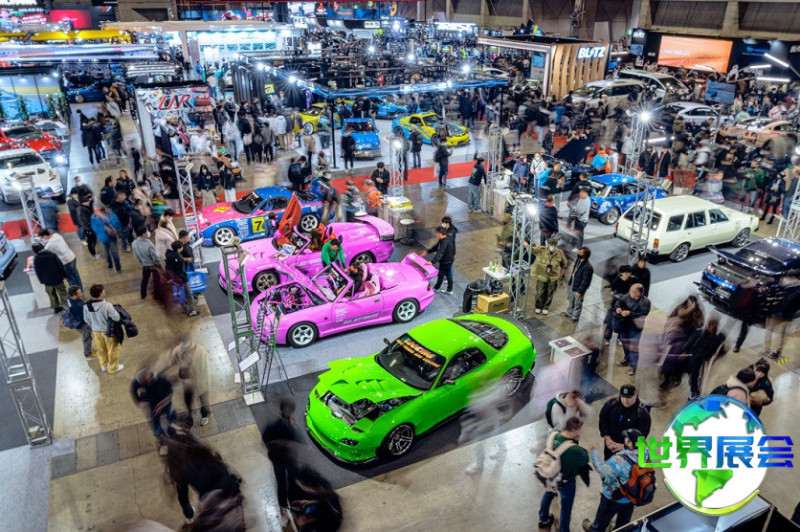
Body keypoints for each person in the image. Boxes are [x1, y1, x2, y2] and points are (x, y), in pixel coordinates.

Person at [164, 422, 243, 525]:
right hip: (230, 491)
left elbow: (183, 498)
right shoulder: (203, 452)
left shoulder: (180, 468)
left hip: (211, 502)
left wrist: (189, 515)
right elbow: (224, 470)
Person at [583, 429, 644, 532]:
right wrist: (622, 447)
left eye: (627, 439)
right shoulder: (647, 454)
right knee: (623, 524)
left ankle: (595, 529)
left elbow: (603, 469)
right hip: (632, 497)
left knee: (602, 519)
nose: (624, 439)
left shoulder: (619, 461)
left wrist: (594, 453)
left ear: (630, 444)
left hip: (613, 498)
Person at [537, 417, 591, 532]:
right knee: (566, 508)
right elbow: (585, 459)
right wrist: (577, 441)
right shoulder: (574, 449)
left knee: (548, 493)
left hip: (549, 475)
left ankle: (544, 519)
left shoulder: (553, 435)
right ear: (574, 430)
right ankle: (564, 530)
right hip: (566, 481)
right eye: (579, 430)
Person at [155, 336, 211, 426]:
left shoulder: (199, 352)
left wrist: (180, 376)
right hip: (187, 384)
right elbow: (171, 361)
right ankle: (190, 414)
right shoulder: (179, 350)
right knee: (188, 400)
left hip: (201, 382)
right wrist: (158, 371)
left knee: (204, 402)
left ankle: (205, 416)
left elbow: (195, 371)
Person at [130, 366, 175, 456]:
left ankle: (169, 433)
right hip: (151, 406)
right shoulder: (137, 383)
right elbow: (135, 393)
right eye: (142, 380)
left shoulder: (160, 380)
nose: (144, 381)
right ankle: (162, 442)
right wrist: (142, 402)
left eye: (146, 378)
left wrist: (162, 404)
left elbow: (170, 393)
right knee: (155, 426)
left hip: (163, 404)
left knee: (166, 421)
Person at [598, 384, 651, 461]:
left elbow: (641, 436)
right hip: (610, 445)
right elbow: (603, 419)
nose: (625, 400)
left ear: (635, 395)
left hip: (628, 452)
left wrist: (624, 446)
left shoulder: (642, 413)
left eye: (628, 397)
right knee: (608, 463)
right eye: (623, 397)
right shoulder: (611, 405)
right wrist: (607, 438)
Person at [83, 284, 123, 374]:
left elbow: (86, 319)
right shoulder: (107, 305)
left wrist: (94, 326)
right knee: (113, 349)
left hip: (96, 331)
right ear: (101, 294)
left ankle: (104, 366)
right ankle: (113, 368)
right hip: (108, 332)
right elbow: (116, 318)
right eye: (103, 290)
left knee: (101, 349)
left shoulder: (86, 305)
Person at [613, 283, 651, 375]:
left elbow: (643, 315)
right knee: (625, 342)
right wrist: (618, 307)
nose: (630, 292)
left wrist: (630, 313)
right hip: (625, 324)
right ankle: (627, 359)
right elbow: (620, 301)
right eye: (630, 290)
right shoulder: (628, 296)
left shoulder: (646, 302)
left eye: (633, 291)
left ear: (639, 293)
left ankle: (633, 365)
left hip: (636, 327)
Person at [686, 316, 727, 401]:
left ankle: (694, 391)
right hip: (703, 359)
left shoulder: (701, 334)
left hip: (698, 359)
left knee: (694, 374)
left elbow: (690, 343)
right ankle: (695, 389)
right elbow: (721, 352)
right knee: (696, 374)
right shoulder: (716, 338)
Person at [532, 237, 568, 315]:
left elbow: (564, 263)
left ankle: (545, 307)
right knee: (540, 293)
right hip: (542, 276)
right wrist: (527, 245)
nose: (553, 247)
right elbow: (532, 250)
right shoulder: (541, 250)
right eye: (551, 245)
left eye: (555, 245)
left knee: (550, 293)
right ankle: (538, 306)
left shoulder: (559, 253)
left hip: (553, 277)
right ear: (548, 244)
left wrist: (561, 273)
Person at [32, 242, 67, 313]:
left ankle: (56, 308)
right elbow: (60, 265)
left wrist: (41, 280)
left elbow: (38, 271)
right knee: (63, 293)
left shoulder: (36, 258)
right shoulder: (52, 255)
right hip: (57, 278)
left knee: (51, 294)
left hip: (47, 280)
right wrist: (64, 275)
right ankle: (67, 306)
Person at [165, 241, 198, 317]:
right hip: (180, 279)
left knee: (180, 293)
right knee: (189, 295)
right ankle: (190, 311)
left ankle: (184, 307)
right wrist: (184, 279)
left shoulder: (169, 255)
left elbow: (168, 268)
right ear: (179, 248)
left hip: (173, 279)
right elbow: (180, 270)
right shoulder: (179, 258)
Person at [90, 205, 123, 273]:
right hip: (102, 239)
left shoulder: (112, 215)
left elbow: (117, 223)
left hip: (111, 238)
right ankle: (110, 264)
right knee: (106, 254)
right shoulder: (95, 217)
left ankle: (118, 268)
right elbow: (95, 228)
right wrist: (105, 228)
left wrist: (116, 231)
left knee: (115, 253)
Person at [132, 226, 162, 300]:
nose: (148, 233)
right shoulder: (149, 244)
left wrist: (142, 263)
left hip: (145, 265)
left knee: (145, 280)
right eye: (147, 231)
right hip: (153, 265)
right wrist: (159, 265)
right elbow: (155, 257)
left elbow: (136, 256)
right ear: (143, 234)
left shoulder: (134, 243)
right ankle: (157, 294)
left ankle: (143, 294)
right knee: (156, 280)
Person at [67, 285, 95, 360]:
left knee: (88, 336)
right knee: (87, 337)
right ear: (74, 295)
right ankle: (88, 353)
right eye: (79, 292)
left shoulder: (69, 298)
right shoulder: (76, 307)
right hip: (81, 324)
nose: (81, 293)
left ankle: (89, 347)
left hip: (79, 321)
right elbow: (83, 317)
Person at [566, 247, 593, 322]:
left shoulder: (588, 267)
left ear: (585, 255)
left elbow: (586, 281)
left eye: (580, 253)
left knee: (577, 303)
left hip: (578, 288)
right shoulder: (578, 261)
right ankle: (569, 312)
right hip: (573, 283)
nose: (578, 254)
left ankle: (575, 316)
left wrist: (580, 291)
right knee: (571, 299)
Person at [426, 227, 455, 294]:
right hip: (449, 260)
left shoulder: (445, 242)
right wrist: (428, 251)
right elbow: (437, 247)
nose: (435, 234)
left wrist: (432, 262)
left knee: (441, 275)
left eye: (436, 233)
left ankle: (436, 288)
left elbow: (440, 252)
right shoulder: (444, 239)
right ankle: (449, 290)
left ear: (440, 233)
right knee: (448, 275)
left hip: (445, 261)